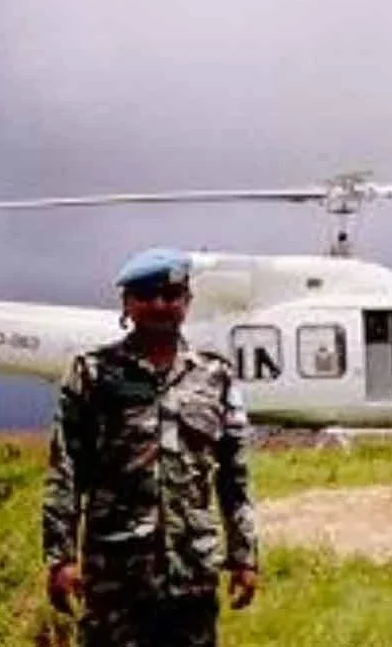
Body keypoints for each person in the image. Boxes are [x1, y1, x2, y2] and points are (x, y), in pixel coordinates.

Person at [42, 247, 259, 647]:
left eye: (170, 294)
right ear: (127, 303)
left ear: (186, 303)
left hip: (191, 573)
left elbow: (235, 477)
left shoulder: (215, 376)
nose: (159, 304)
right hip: (115, 575)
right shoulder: (92, 372)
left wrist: (244, 556)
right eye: (145, 295)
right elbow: (66, 470)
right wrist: (60, 558)